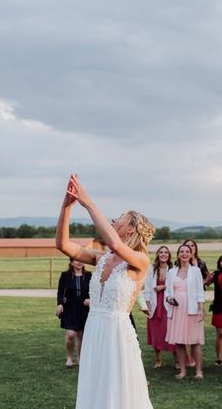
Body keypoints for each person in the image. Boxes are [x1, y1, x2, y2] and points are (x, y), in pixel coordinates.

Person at [55, 174, 155, 409]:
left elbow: (116, 245)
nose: (112, 219)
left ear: (130, 230)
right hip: (95, 329)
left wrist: (87, 201)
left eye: (119, 218)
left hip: (116, 335)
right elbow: (62, 245)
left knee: (116, 392)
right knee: (95, 389)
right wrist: (66, 207)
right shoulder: (101, 258)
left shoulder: (140, 261)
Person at [165, 244, 206, 379]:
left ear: (191, 254)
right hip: (176, 310)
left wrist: (201, 309)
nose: (184, 253)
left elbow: (200, 291)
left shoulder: (196, 271)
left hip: (192, 309)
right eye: (181, 251)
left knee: (195, 340)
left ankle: (199, 371)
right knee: (179, 341)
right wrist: (169, 298)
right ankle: (182, 370)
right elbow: (167, 291)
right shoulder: (171, 272)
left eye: (187, 251)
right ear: (178, 254)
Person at [144, 245, 176, 368]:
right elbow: (147, 288)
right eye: (161, 252)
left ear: (169, 255)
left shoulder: (173, 269)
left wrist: (163, 287)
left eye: (166, 252)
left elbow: (175, 286)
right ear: (157, 254)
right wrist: (147, 306)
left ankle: (177, 360)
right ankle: (158, 360)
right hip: (154, 305)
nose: (163, 254)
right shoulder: (151, 269)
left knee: (172, 333)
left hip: (168, 305)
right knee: (156, 335)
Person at [56, 259, 91, 367]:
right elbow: (61, 292)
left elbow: (94, 290)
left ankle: (80, 358)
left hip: (84, 308)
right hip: (70, 308)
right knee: (70, 334)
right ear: (71, 262)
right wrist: (60, 303)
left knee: (81, 335)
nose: (79, 262)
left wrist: (90, 300)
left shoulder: (89, 275)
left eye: (81, 260)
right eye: (76, 261)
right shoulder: (65, 275)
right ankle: (69, 358)